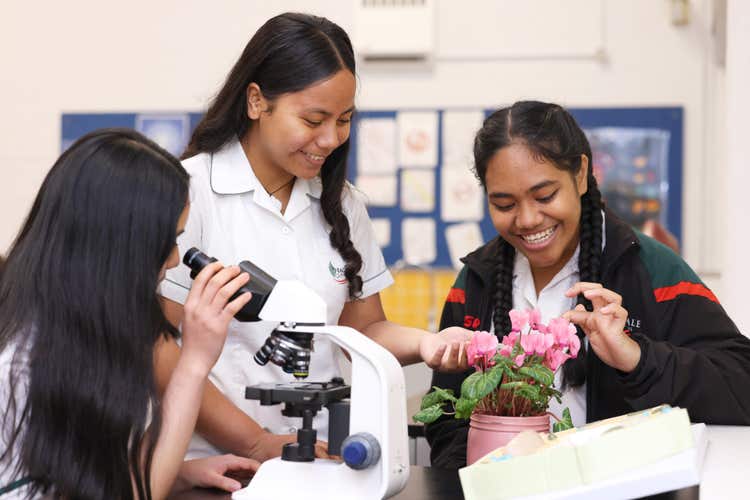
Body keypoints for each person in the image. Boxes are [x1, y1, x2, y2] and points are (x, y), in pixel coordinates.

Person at [158, 12, 470, 462]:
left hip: (320, 453)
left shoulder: (343, 205)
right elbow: (161, 350)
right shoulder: (191, 192)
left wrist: (428, 344)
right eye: (313, 119)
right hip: (211, 460)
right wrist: (254, 442)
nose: (330, 139)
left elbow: (362, 331)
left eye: (344, 120)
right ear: (256, 102)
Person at [424, 101, 750, 469]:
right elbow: (444, 416)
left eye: (545, 196)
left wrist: (637, 359)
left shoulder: (653, 271)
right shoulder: (475, 282)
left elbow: (740, 384)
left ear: (581, 174)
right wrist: (471, 478)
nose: (528, 219)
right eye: (504, 203)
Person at [0, 129, 259, 499]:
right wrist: (195, 361)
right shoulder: (23, 366)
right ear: (116, 245)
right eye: (166, 241)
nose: (172, 259)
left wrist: (179, 473)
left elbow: (91, 478)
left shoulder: (68, 328)